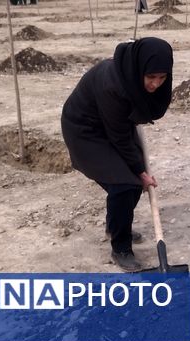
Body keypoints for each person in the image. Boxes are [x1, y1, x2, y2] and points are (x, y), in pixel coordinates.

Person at [61, 38, 173, 272]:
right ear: (140, 68)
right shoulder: (113, 84)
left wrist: (138, 169)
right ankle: (121, 248)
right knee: (125, 184)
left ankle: (116, 225)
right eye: (151, 77)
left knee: (131, 182)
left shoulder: (132, 72)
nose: (155, 84)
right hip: (85, 130)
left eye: (162, 78)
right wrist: (140, 172)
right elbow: (120, 138)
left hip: (112, 123)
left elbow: (122, 129)